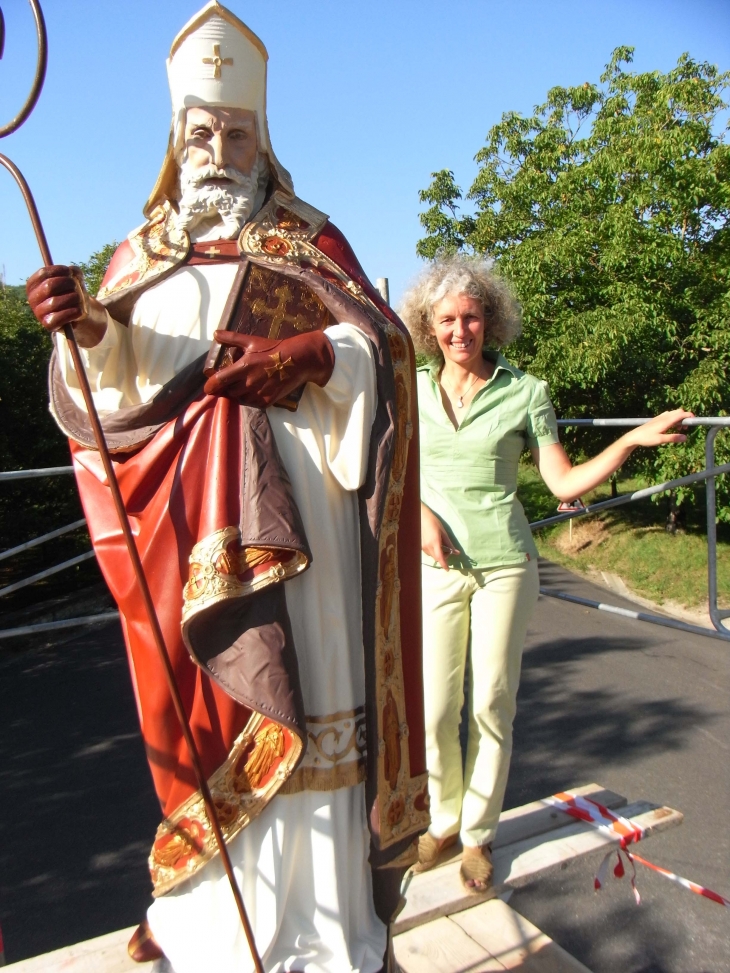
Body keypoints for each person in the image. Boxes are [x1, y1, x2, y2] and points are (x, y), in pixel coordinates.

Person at [25, 4, 428, 971]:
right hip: (189, 535)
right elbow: (114, 395)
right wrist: (83, 327)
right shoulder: (137, 255)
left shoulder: (309, 238)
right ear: (176, 142)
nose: (219, 146)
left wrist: (313, 358)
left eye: (236, 130)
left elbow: (388, 351)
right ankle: (205, 917)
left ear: (263, 138)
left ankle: (328, 927)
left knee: (315, 702)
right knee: (204, 713)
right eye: (201, 131)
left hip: (312, 530)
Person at [398, 255, 692, 895]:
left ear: (490, 321)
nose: (459, 331)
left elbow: (560, 481)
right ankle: (441, 820)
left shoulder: (526, 391)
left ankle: (476, 834)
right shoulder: (411, 388)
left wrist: (631, 443)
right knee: (435, 708)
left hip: (506, 564)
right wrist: (419, 511)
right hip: (436, 566)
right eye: (446, 319)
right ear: (428, 324)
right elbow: (393, 468)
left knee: (491, 705)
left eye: (471, 317)